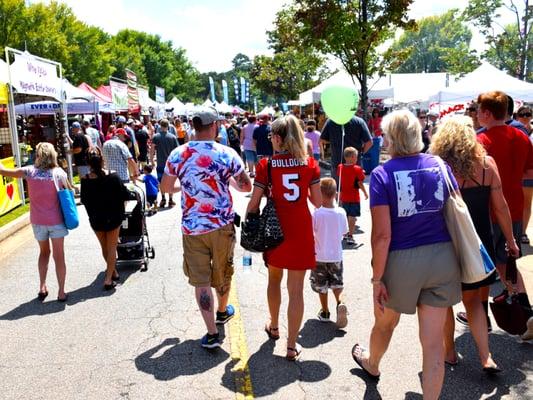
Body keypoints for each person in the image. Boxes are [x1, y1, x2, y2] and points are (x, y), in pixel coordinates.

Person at [352, 110, 461, 400]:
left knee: (386, 323)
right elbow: (457, 211)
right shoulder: (440, 165)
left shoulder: (381, 174)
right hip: (442, 258)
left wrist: (377, 279)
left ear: (392, 138)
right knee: (433, 344)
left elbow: (382, 235)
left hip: (401, 261)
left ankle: (372, 364)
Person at [430, 116, 519, 373]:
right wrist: (511, 241)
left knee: (445, 301)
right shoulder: (486, 165)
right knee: (474, 303)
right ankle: (485, 357)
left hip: (445, 242)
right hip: (478, 243)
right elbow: (500, 207)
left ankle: (449, 353)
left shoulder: (436, 166)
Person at [161, 106, 252, 349]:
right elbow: (246, 187)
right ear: (214, 127)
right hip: (221, 224)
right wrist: (228, 180)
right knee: (222, 272)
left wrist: (185, 188)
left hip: (192, 227)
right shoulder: (226, 153)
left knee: (201, 281)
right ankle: (222, 311)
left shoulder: (178, 154)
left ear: (194, 127)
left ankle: (211, 333)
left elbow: (165, 188)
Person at [246, 115, 322, 361]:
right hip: (300, 230)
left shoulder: (265, 165)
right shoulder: (310, 164)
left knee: (274, 280)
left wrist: (250, 222)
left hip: (274, 231)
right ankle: (291, 346)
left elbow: (254, 203)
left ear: (277, 138)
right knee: (297, 290)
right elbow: (318, 202)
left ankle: (275, 326)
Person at [475, 91, 533, 340]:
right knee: (506, 261)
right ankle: (526, 311)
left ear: (487, 113)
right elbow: (528, 172)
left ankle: (480, 314)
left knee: (483, 263)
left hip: (487, 208)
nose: (477, 114)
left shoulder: (480, 140)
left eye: (479, 110)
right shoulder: (522, 136)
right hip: (515, 206)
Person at [0, 143, 70, 302]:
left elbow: (4, 171)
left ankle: (42, 286)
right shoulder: (59, 173)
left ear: (37, 155)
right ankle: (61, 292)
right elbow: (69, 192)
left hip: (38, 221)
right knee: (59, 256)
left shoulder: (29, 172)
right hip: (56, 221)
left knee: (44, 253)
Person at [81, 148, 130, 290]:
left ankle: (113, 271)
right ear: (102, 159)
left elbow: (84, 200)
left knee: (105, 247)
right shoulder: (113, 176)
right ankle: (108, 278)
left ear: (88, 162)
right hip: (113, 217)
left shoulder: (85, 180)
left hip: (96, 218)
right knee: (112, 247)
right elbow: (125, 194)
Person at [311, 177, 349, 328]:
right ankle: (340, 302)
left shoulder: (316, 214)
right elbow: (345, 232)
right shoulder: (341, 212)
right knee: (337, 283)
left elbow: (311, 232)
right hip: (336, 256)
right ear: (335, 194)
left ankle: (325, 311)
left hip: (319, 256)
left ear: (319, 194)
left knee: (322, 286)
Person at [320, 114, 372, 183]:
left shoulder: (331, 121)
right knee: (354, 188)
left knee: (337, 190)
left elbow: (321, 140)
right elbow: (369, 142)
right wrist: (361, 153)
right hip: (354, 163)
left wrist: (334, 140)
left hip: (337, 162)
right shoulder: (359, 121)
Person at [337, 147, 368, 245]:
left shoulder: (340, 167)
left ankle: (345, 233)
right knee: (352, 217)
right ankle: (350, 235)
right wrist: (365, 192)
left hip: (343, 197)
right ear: (351, 157)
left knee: (346, 215)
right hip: (354, 197)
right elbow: (360, 182)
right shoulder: (357, 169)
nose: (356, 159)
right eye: (356, 157)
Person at [151, 119, 179, 208]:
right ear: (168, 126)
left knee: (161, 181)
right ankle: (170, 200)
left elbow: (152, 150)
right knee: (171, 181)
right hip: (170, 164)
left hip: (160, 163)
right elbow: (177, 151)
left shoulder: (156, 137)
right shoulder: (173, 137)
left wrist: (151, 160)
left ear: (160, 126)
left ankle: (163, 199)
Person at [516, 106, 533, 244]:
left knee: (526, 203)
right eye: (522, 114)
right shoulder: (515, 131)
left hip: (529, 173)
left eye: (528, 114)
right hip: (516, 173)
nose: (526, 117)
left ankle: (522, 232)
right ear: (517, 116)